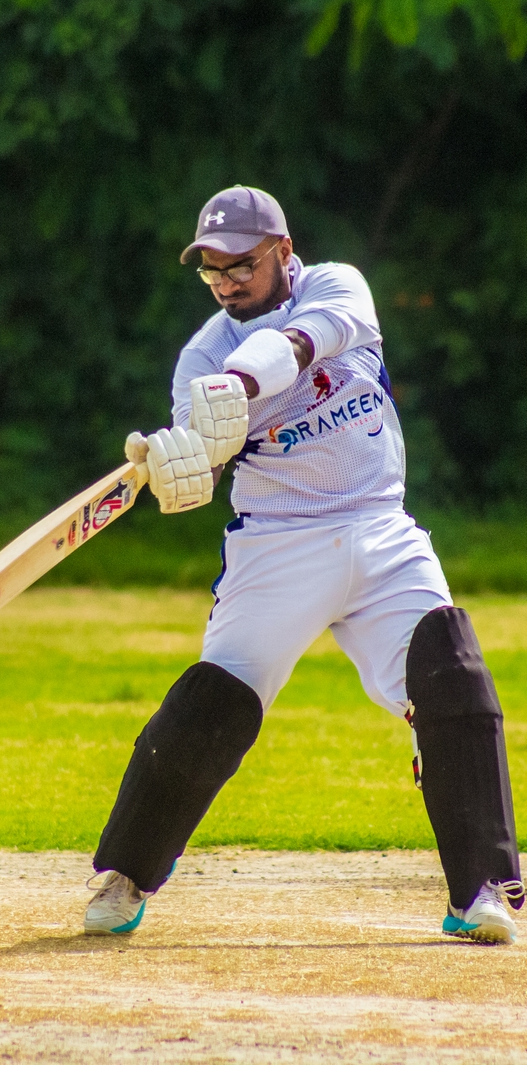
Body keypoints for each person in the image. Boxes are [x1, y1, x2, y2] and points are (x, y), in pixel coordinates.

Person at [84, 185, 523, 943]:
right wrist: (183, 458)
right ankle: (124, 876)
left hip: (380, 529)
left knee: (452, 675)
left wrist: (240, 387)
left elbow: (299, 345)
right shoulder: (201, 355)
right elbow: (202, 455)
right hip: (276, 544)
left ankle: (481, 889)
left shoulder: (336, 285)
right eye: (211, 269)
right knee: (211, 706)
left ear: (284, 252)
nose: (226, 282)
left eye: (241, 265)